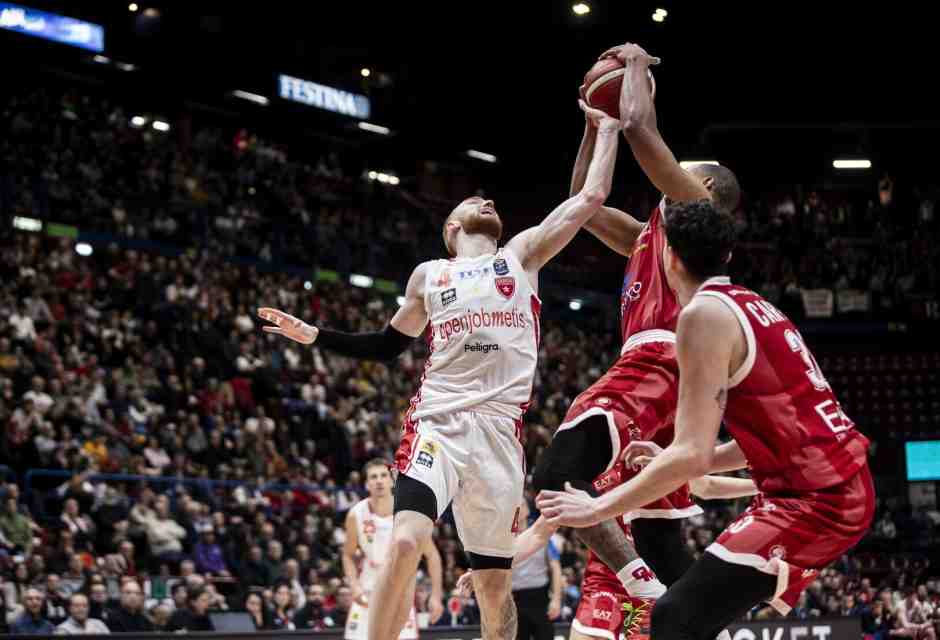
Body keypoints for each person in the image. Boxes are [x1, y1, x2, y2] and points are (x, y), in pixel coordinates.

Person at [259, 99, 622, 640]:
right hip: (440, 422)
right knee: (406, 539)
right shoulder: (430, 274)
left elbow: (590, 198)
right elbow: (388, 345)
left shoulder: (521, 255)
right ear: (452, 227)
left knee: (494, 589)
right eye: (475, 200)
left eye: (489, 199)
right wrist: (315, 335)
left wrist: (607, 128)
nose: (487, 199)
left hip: (500, 433)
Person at [537, 198, 875, 640]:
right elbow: (762, 438)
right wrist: (674, 456)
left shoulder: (701, 315)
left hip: (819, 500)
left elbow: (691, 457)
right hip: (828, 484)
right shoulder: (754, 304)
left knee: (674, 618)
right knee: (684, 616)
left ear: (668, 257)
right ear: (727, 254)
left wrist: (597, 506)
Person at [531, 39, 744, 617]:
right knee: (657, 531)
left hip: (662, 361)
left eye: (683, 170)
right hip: (667, 376)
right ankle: (698, 622)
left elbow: (639, 128)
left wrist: (635, 67)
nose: (671, 175)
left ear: (704, 191)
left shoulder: (696, 210)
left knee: (556, 474)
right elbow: (580, 204)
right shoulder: (649, 232)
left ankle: (646, 592)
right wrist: (592, 127)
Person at [466, 460, 755, 640]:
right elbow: (538, 533)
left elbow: (706, 485)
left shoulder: (654, 460)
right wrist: (493, 565)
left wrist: (760, 487)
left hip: (657, 581)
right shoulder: (586, 472)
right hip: (606, 582)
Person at [342, 459, 443, 640]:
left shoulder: (408, 513)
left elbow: (432, 556)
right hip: (368, 589)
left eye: (383, 475)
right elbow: (347, 555)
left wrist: (436, 596)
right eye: (373, 477)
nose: (379, 481)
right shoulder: (355, 514)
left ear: (391, 480)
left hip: (399, 588)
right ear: (366, 484)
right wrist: (354, 585)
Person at [508, 500, 562, 640]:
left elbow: (555, 567)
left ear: (527, 510)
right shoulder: (504, 538)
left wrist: (556, 599)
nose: (518, 509)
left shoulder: (542, 534)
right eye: (514, 506)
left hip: (539, 597)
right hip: (513, 598)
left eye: (521, 505)